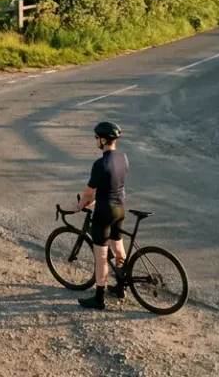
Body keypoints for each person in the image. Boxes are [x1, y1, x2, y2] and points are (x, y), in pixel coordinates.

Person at [74, 121, 128, 310]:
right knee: (118, 246)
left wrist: (79, 206)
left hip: (105, 211)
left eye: (97, 137)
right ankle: (121, 286)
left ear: (103, 139)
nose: (96, 140)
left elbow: (89, 192)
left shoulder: (100, 163)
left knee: (102, 256)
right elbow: (113, 185)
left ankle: (99, 298)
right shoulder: (123, 158)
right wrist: (95, 199)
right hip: (120, 208)